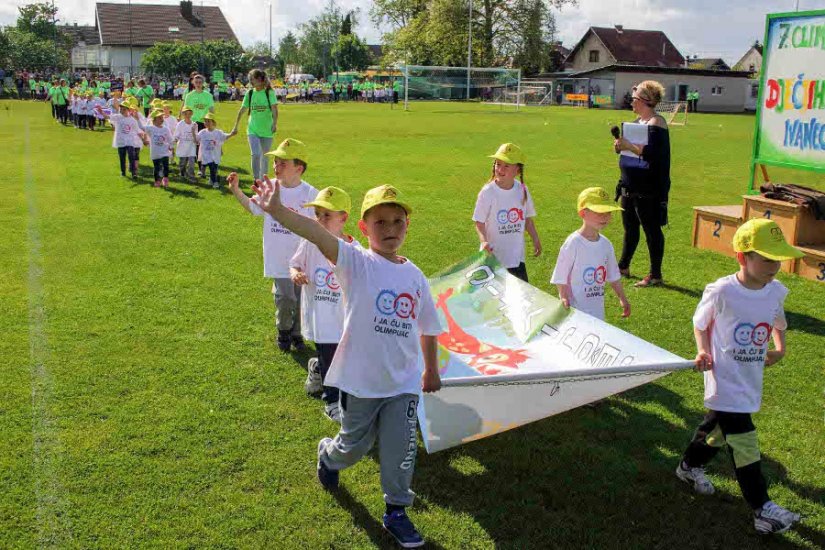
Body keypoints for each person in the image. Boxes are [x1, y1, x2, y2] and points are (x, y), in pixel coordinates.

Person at [249, 179, 442, 549]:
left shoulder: (415, 276)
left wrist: (429, 369)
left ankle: (397, 511)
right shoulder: (355, 262)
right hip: (361, 382)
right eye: (380, 222)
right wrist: (276, 210)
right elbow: (314, 233)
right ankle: (329, 455)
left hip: (403, 383)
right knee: (353, 447)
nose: (389, 229)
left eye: (397, 221)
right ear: (363, 228)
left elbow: (429, 327)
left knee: (402, 450)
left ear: (407, 226)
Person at [676, 219, 804, 535]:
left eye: (778, 258)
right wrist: (703, 350)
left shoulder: (775, 290)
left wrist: (780, 347)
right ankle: (763, 508)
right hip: (724, 376)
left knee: (717, 429)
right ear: (742, 257)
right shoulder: (722, 291)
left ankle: (689, 466)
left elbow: (778, 319)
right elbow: (701, 322)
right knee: (744, 440)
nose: (774, 265)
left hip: (750, 375)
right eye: (766, 258)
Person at [228, 138, 317, 352]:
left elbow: (318, 226)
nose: (276, 166)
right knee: (286, 297)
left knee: (300, 298)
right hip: (278, 258)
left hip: (303, 258)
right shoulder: (271, 188)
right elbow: (253, 208)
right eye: (275, 162)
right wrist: (236, 190)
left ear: (299, 168)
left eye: (282, 163)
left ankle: (297, 334)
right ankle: (283, 331)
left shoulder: (310, 194)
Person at [287, 186, 359, 422]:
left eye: (327, 215)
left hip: (344, 317)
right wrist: (295, 273)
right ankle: (331, 400)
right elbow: (294, 264)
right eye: (317, 214)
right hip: (321, 316)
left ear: (344, 218)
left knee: (341, 357)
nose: (320, 220)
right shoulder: (310, 243)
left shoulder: (354, 250)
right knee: (331, 354)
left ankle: (317, 367)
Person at [613, 80, 671, 287]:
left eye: (634, 97)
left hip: (649, 189)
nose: (631, 101)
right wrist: (621, 147)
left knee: (651, 230)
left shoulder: (657, 123)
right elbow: (633, 152)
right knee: (630, 228)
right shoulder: (636, 123)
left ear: (645, 100)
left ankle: (655, 275)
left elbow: (654, 156)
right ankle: (623, 266)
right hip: (630, 186)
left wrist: (631, 146)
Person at [551, 187, 630, 320]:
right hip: (574, 311)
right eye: (599, 212)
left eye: (608, 212)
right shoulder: (573, 243)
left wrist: (622, 298)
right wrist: (563, 297)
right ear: (583, 213)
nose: (605, 216)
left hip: (597, 312)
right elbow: (560, 275)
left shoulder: (606, 245)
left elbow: (613, 276)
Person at [472, 143, 542, 282]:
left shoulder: (522, 190)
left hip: (516, 259)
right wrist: (484, 241)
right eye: (498, 164)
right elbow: (479, 221)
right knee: (493, 301)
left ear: (517, 170)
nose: (500, 169)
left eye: (506, 166)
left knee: (520, 300)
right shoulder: (488, 192)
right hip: (492, 258)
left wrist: (535, 238)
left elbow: (527, 219)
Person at [230, 69, 279, 182]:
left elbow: (275, 110)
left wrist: (275, 124)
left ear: (260, 80)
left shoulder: (269, 93)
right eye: (250, 79)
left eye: (253, 79)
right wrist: (236, 125)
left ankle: (263, 180)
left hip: (267, 130)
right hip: (252, 129)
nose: (251, 81)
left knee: (264, 157)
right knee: (256, 154)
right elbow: (242, 109)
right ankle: (256, 179)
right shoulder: (250, 93)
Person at [97, 97, 146, 178]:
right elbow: (107, 117)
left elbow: (138, 130)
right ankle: (123, 172)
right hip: (121, 141)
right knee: (122, 157)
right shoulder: (117, 117)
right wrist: (101, 111)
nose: (121, 110)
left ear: (128, 110)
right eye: (121, 109)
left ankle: (134, 173)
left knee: (131, 156)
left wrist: (144, 139)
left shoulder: (132, 120)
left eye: (123, 109)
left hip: (130, 141)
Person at [182, 73, 215, 177]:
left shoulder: (208, 95)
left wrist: (210, 121)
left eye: (200, 82)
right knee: (194, 145)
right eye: (196, 82)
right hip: (193, 123)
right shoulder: (189, 95)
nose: (198, 84)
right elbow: (186, 109)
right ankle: (191, 166)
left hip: (204, 123)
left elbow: (211, 109)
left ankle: (202, 168)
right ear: (193, 83)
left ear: (203, 83)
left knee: (204, 145)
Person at [196, 113, 236, 189]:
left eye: (208, 121)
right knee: (212, 167)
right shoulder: (202, 132)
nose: (206, 123)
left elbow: (225, 136)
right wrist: (192, 132)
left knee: (214, 167)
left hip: (216, 154)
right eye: (205, 121)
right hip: (206, 155)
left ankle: (211, 179)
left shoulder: (218, 132)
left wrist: (232, 134)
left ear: (213, 122)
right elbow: (196, 139)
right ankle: (215, 182)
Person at [144, 110, 174, 188]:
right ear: (154, 120)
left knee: (165, 166)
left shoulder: (165, 129)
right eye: (159, 118)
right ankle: (157, 181)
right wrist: (136, 118)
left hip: (164, 152)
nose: (162, 119)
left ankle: (165, 179)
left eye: (162, 117)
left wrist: (171, 147)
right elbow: (141, 127)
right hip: (155, 152)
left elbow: (170, 139)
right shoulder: (150, 128)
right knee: (156, 167)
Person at [174, 106, 198, 182]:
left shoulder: (194, 124)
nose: (188, 115)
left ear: (191, 114)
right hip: (182, 147)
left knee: (191, 163)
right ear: (183, 114)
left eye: (189, 113)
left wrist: (194, 133)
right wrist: (175, 140)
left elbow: (196, 137)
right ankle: (182, 173)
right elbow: (176, 134)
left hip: (191, 147)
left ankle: (191, 176)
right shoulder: (180, 124)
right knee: (183, 163)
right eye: (186, 114)